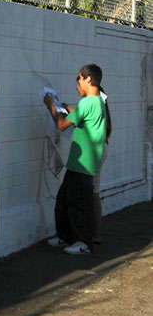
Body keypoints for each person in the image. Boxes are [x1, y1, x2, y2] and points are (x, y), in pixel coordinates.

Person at [43, 64, 109, 255]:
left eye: (80, 78)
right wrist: (64, 107)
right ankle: (67, 237)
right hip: (79, 162)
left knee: (79, 203)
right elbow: (81, 118)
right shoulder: (97, 101)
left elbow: (62, 124)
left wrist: (50, 106)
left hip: (84, 162)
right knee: (64, 200)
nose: (78, 83)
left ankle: (84, 242)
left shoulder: (87, 102)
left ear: (88, 79)